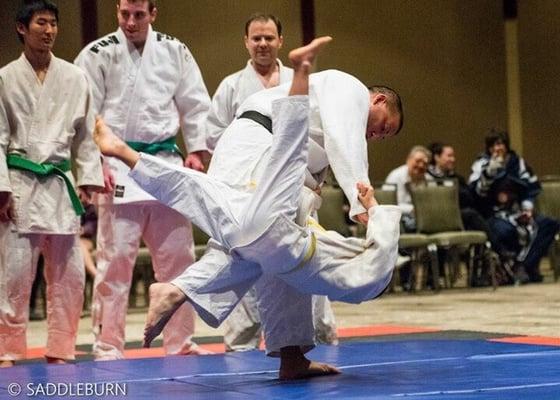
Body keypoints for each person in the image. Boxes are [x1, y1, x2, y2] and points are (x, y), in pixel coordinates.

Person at [93, 36, 402, 379]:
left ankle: (291, 356)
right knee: (260, 237)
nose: (376, 136)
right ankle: (179, 289)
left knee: (271, 255)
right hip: (262, 148)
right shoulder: (352, 89)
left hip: (262, 156)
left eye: (383, 138)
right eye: (384, 126)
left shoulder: (325, 104)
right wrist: (362, 200)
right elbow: (346, 142)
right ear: (378, 99)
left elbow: (326, 152)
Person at [74, 0, 212, 360]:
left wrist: (197, 150)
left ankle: (179, 343)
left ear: (154, 13)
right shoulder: (98, 53)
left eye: (138, 15)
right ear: (117, 12)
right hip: (116, 166)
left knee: (178, 262)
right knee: (114, 263)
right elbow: (84, 113)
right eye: (124, 15)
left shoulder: (174, 50)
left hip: (165, 164)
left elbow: (195, 104)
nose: (131, 22)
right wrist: (94, 163)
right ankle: (107, 345)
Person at [208, 13, 336, 352]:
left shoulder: (303, 78)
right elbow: (216, 137)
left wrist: (319, 179)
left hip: (298, 192)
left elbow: (323, 134)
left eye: (269, 37)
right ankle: (240, 346)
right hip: (248, 192)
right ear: (246, 42)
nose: (262, 44)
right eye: (256, 38)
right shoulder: (232, 86)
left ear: (280, 40)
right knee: (244, 268)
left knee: (307, 266)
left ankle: (321, 339)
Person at [0, 0, 104, 367]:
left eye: (53, 24)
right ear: (21, 28)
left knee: (70, 275)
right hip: (20, 184)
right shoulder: (5, 78)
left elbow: (87, 135)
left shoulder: (75, 77)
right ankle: (7, 349)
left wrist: (89, 178)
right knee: (13, 275)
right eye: (41, 23)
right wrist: (2, 188)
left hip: (60, 182)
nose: (49, 30)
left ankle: (61, 347)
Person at [469, 130, 560, 283]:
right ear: (489, 148)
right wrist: (490, 173)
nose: (498, 149)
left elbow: (531, 187)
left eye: (501, 144)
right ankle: (519, 269)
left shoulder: (518, 163)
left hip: (519, 210)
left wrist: (527, 207)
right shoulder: (481, 164)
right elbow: (477, 193)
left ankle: (523, 266)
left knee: (549, 224)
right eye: (494, 145)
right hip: (493, 214)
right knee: (506, 231)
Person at [385, 145, 432, 233]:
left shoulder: (429, 180)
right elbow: (388, 205)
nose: (421, 165)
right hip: (397, 219)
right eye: (418, 161)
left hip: (422, 219)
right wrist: (412, 209)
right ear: (408, 160)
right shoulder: (395, 177)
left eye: (425, 163)